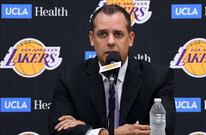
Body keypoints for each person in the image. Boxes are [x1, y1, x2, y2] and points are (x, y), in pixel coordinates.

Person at [48, 4, 176, 135]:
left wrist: (88, 131)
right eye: (102, 34)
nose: (110, 41)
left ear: (130, 39)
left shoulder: (158, 77)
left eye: (118, 34)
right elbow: (57, 129)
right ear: (92, 39)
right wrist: (106, 133)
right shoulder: (70, 77)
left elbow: (164, 130)